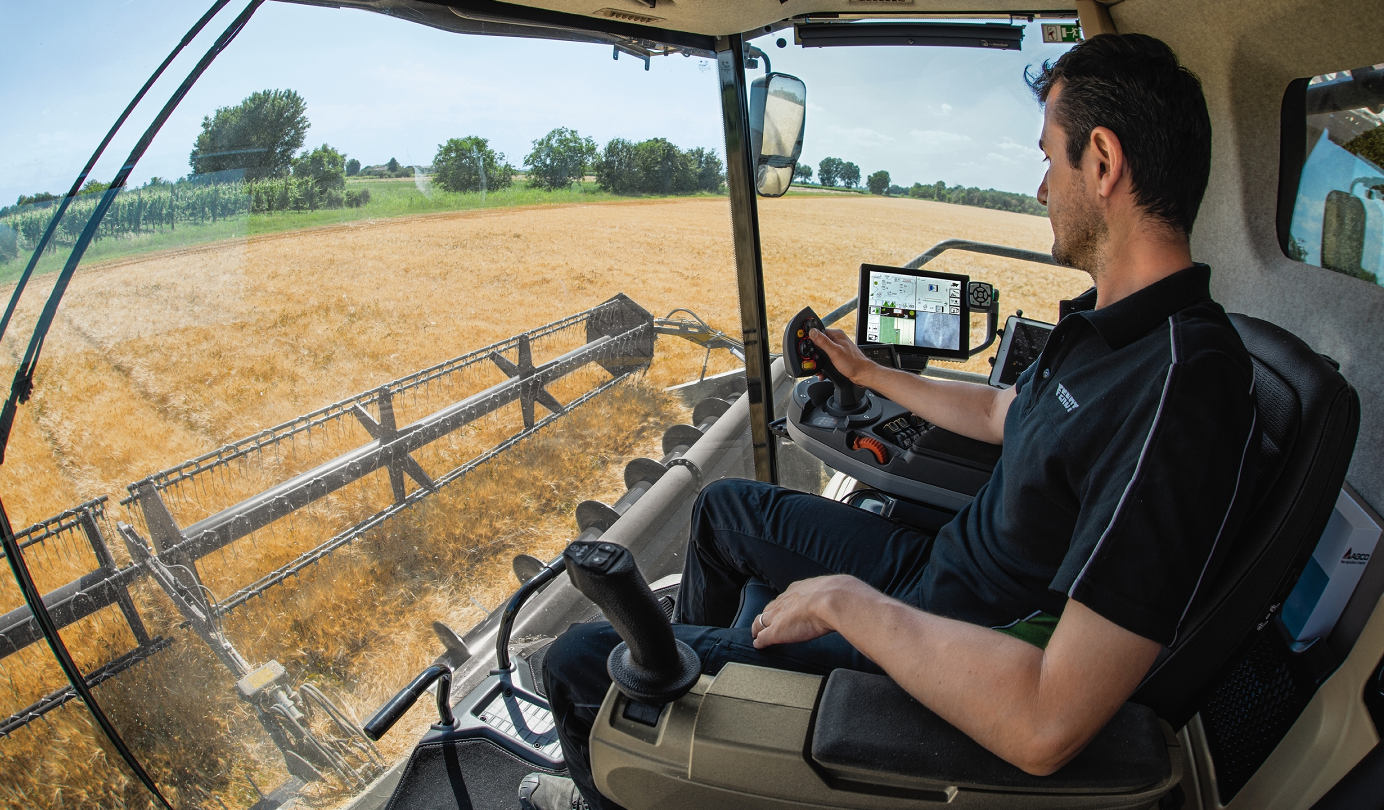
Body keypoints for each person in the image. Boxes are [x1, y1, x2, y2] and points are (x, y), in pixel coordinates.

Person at [519, 32, 1258, 810]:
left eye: (1049, 157)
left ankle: (639, 754)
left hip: (956, 642)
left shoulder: (1184, 386)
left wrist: (847, 603)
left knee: (579, 657)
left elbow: (1048, 720)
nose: (1042, 189)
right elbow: (1002, 411)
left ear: (1102, 163)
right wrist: (870, 373)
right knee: (724, 510)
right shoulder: (1110, 328)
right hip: (938, 564)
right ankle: (690, 741)